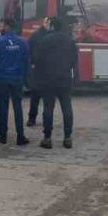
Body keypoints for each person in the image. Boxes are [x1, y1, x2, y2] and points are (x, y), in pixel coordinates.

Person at [32, 16, 79, 149]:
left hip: (48, 79)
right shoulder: (70, 41)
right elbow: (74, 61)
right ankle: (67, 137)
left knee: (48, 108)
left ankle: (47, 138)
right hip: (64, 79)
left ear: (52, 26)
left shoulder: (45, 40)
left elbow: (38, 59)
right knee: (67, 108)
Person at [0, 18, 30, 145]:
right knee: (18, 107)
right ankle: (20, 136)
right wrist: (23, 76)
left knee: (3, 107)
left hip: (3, 79)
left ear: (7, 26)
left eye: (1, 25)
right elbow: (26, 61)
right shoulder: (23, 42)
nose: (0, 28)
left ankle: (3, 135)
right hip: (17, 79)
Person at [25, 17, 52, 127]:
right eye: (46, 22)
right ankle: (32, 119)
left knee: (47, 99)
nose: (48, 24)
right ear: (42, 22)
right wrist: (31, 63)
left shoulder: (52, 36)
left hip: (50, 70)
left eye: (50, 22)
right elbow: (29, 49)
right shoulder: (36, 35)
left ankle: (47, 120)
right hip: (38, 70)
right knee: (35, 96)